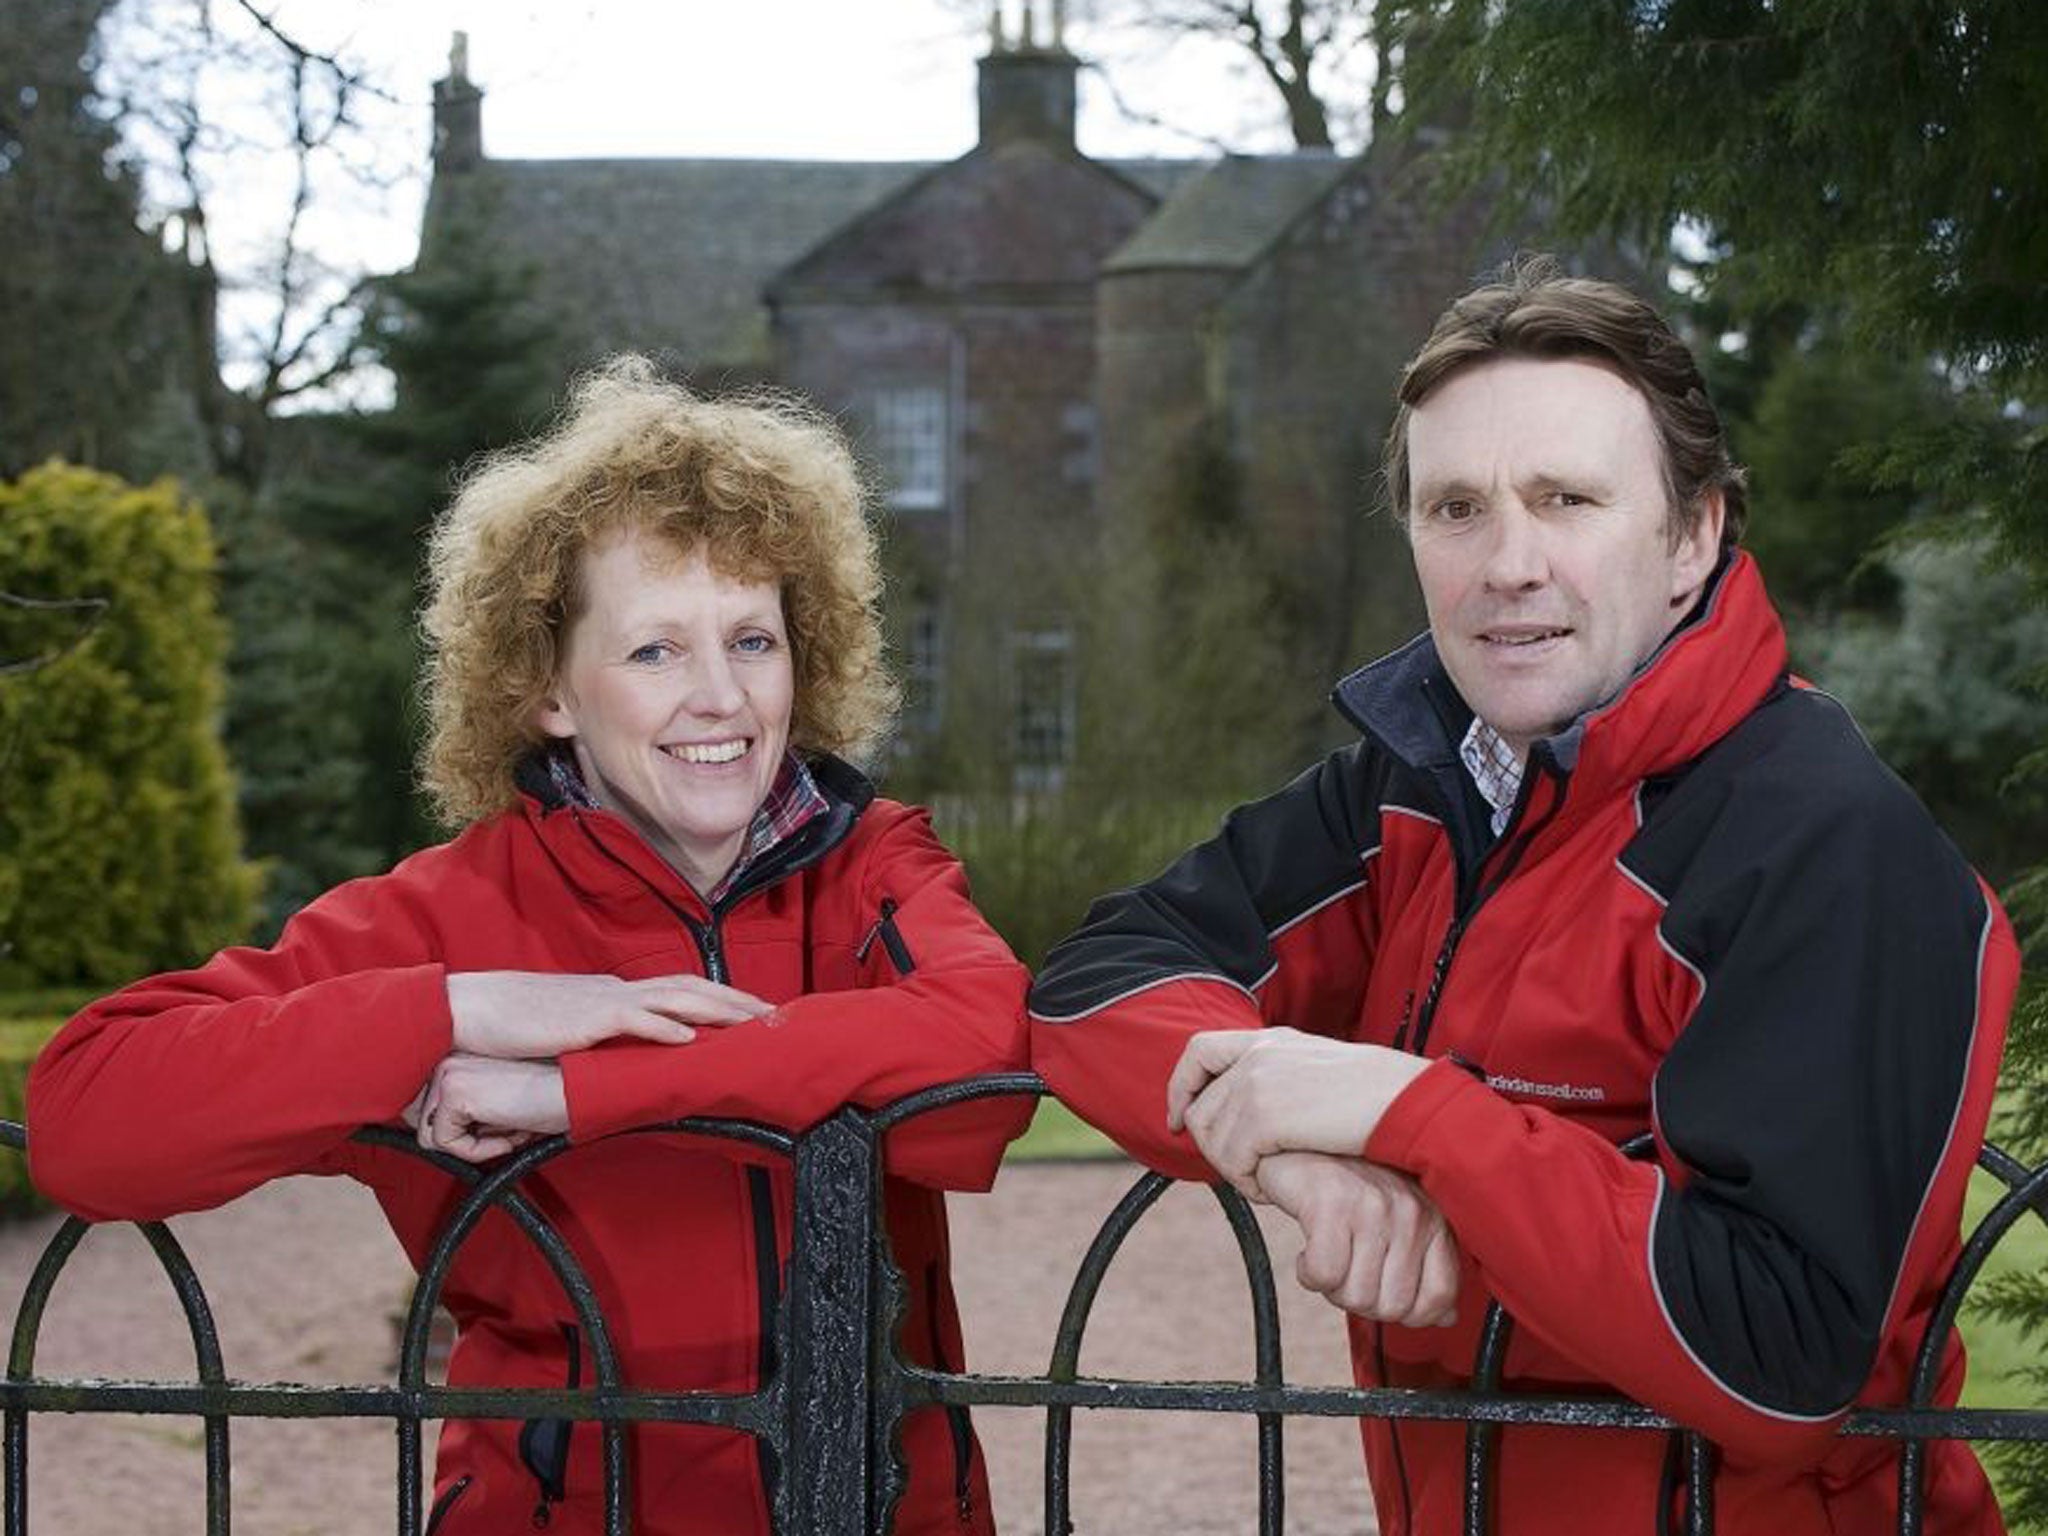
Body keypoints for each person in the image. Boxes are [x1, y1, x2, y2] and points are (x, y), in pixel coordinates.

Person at [1028, 258, 2015, 1536]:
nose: (1508, 562)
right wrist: (1300, 1153)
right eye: (1455, 508)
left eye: (1566, 499)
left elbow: (1779, 1358)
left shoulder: (1823, 844)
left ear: (1692, 536)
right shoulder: (1413, 792)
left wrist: (1415, 1119)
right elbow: (1101, 974)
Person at [29, 358, 1032, 1536]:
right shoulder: (444, 915)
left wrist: (581, 1091)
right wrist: (458, 1010)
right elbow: (84, 1124)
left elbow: (986, 1061)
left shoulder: (874, 865)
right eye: (654, 651)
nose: (721, 696)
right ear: (548, 688)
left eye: (752, 640)